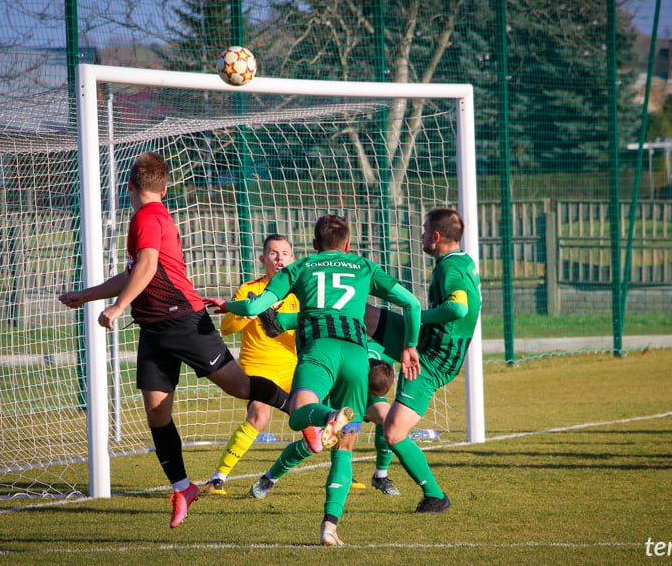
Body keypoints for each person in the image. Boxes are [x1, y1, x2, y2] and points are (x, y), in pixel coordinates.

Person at [58, 151, 291, 528]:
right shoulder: (150, 216)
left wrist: (117, 308)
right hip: (153, 328)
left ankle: (304, 414)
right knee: (157, 412)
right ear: (165, 188)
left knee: (241, 386)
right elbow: (136, 270)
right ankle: (184, 488)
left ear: (129, 185)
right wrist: (85, 296)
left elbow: (148, 266)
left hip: (183, 320)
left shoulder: (148, 216)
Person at [205, 214, 421, 546]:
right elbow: (411, 302)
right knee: (343, 447)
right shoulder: (363, 265)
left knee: (300, 411)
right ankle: (330, 527)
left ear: (315, 245)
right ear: (347, 245)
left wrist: (228, 304)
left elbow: (257, 307)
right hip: (354, 355)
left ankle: (326, 418)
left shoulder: (302, 267)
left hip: (319, 350)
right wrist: (409, 346)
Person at [364, 207, 481, 513]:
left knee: (393, 433)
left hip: (432, 358)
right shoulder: (460, 260)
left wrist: (420, 316)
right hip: (428, 343)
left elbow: (458, 309)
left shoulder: (448, 268)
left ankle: (435, 496)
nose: (421, 236)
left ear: (437, 236)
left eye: (425, 230)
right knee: (362, 313)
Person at [201, 234, 321, 495]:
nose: (280, 259)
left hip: (292, 370)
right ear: (262, 259)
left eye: (285, 254)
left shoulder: (301, 292)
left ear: (294, 258)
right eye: (274, 254)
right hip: (257, 368)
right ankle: (218, 478)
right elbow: (227, 326)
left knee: (321, 420)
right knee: (259, 415)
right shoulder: (249, 290)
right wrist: (251, 310)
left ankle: (338, 474)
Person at [248, 357, 398, 499]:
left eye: (371, 394)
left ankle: (380, 476)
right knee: (313, 444)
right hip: (324, 404)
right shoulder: (346, 367)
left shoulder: (376, 361)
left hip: (347, 405)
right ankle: (268, 479)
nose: (368, 395)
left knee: (387, 417)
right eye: (369, 392)